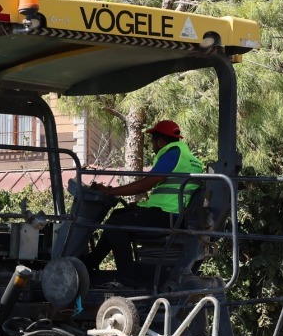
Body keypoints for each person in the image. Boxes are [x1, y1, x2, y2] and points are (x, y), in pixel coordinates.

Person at [80, 120, 205, 282]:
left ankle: (126, 277)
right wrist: (138, 206)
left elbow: (146, 183)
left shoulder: (172, 153)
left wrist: (111, 191)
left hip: (167, 216)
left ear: (160, 141)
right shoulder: (190, 158)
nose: (152, 147)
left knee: (115, 224)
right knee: (118, 214)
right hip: (174, 214)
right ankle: (91, 262)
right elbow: (168, 193)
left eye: (152, 141)